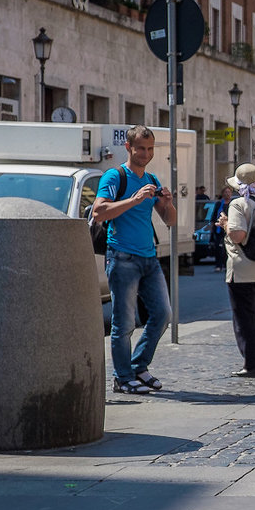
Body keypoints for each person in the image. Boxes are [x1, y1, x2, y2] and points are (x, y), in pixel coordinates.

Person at [93, 125, 176, 395]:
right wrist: (134, 198)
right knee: (124, 323)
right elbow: (100, 212)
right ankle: (122, 377)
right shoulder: (115, 176)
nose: (146, 153)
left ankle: (139, 366)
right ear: (128, 148)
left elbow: (170, 221)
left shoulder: (151, 177)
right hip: (122, 257)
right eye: (141, 148)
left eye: (150, 148)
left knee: (163, 314)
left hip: (149, 258)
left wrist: (168, 204)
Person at [215, 163, 255, 379]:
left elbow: (238, 235)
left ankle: (252, 364)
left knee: (245, 319)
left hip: (244, 271)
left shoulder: (238, 204)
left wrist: (225, 225)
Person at [209, 186, 234, 271]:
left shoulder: (233, 203)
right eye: (225, 192)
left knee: (229, 248)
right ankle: (218, 265)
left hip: (230, 229)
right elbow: (214, 216)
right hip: (219, 229)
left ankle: (227, 265)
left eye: (229, 192)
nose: (227, 194)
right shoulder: (219, 204)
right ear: (223, 194)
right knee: (218, 247)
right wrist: (212, 228)